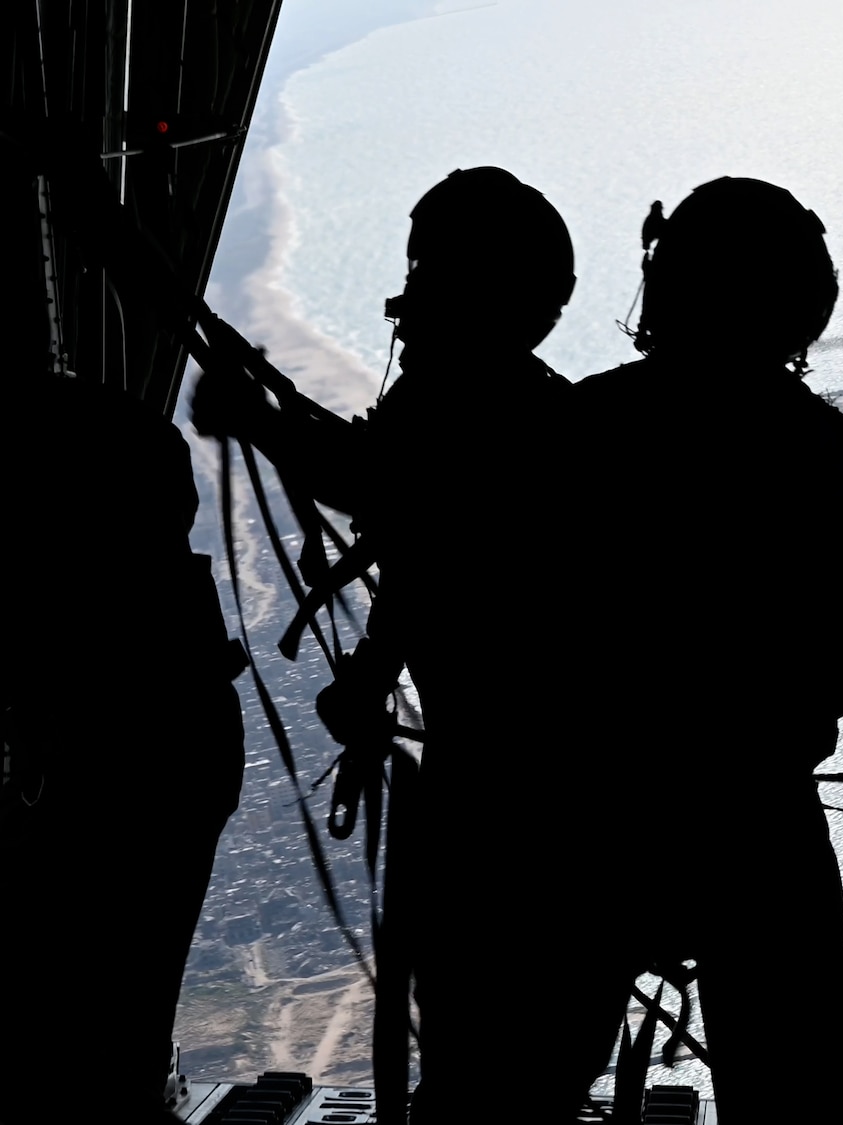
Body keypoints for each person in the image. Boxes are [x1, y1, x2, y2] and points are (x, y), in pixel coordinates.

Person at [193, 167, 616, 1122]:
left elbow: (393, 489)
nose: (406, 303)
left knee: (477, 1049)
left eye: (426, 272)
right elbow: (433, 544)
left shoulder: (469, 404)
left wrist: (257, 417)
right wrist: (376, 670)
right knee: (526, 1058)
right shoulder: (538, 410)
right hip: (570, 797)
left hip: (507, 791)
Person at [568, 176, 843, 1122]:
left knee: (504, 1095)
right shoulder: (839, 465)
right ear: (806, 306)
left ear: (664, 290)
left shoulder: (569, 434)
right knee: (800, 1110)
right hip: (754, 827)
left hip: (576, 822)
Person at [2, 372, 247, 1125]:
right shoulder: (102, 442)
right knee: (112, 1037)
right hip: (171, 716)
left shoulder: (62, 452)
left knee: (85, 1048)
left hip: (139, 728)